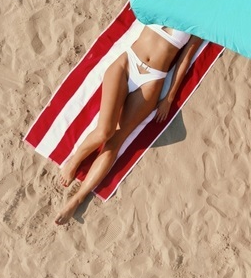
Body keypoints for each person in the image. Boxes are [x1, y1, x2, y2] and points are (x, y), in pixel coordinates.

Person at [55, 24, 202, 225]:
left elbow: (185, 59)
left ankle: (77, 199)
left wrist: (169, 97)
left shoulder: (198, 23)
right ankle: (74, 161)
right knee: (104, 131)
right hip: (128, 63)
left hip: (152, 80)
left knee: (116, 141)